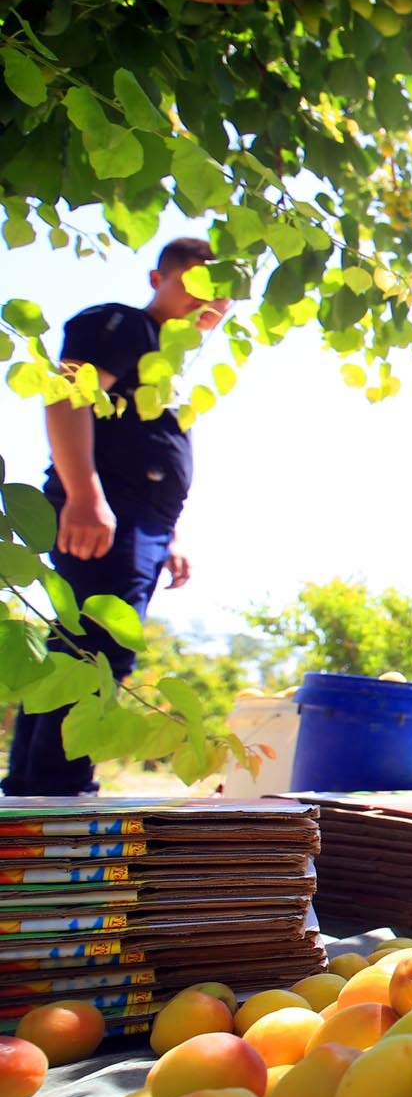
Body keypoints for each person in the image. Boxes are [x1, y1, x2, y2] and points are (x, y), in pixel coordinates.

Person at [3, 238, 227, 797]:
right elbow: (66, 396)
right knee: (95, 652)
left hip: (140, 524)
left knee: (78, 649)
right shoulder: (123, 326)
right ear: (158, 279)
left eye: (222, 294)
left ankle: (35, 790)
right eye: (196, 284)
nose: (211, 302)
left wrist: (169, 534)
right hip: (105, 515)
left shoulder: (165, 367)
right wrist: (83, 493)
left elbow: (150, 452)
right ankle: (61, 790)